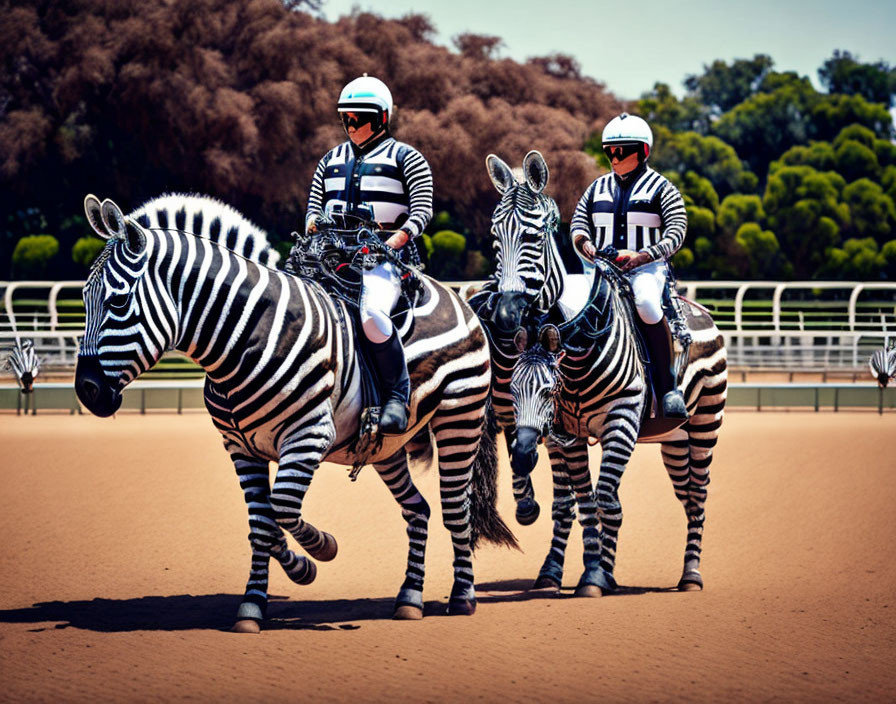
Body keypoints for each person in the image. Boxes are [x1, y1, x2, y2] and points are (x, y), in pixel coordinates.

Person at [304, 75, 433, 434]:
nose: (351, 124)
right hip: (329, 259)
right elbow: (314, 208)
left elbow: (422, 209)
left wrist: (393, 241)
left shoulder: (408, 157)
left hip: (385, 261)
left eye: (358, 117)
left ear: (381, 118)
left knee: (372, 313)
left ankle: (396, 394)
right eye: (346, 117)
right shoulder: (329, 160)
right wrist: (315, 224)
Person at [570, 112, 689, 419]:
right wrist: (589, 246)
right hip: (599, 270)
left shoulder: (663, 188)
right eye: (609, 150)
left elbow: (677, 230)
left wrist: (643, 256)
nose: (614, 156)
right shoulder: (596, 188)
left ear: (644, 151)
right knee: (566, 304)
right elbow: (578, 225)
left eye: (622, 150)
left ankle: (667, 388)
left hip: (646, 270)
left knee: (648, 304)